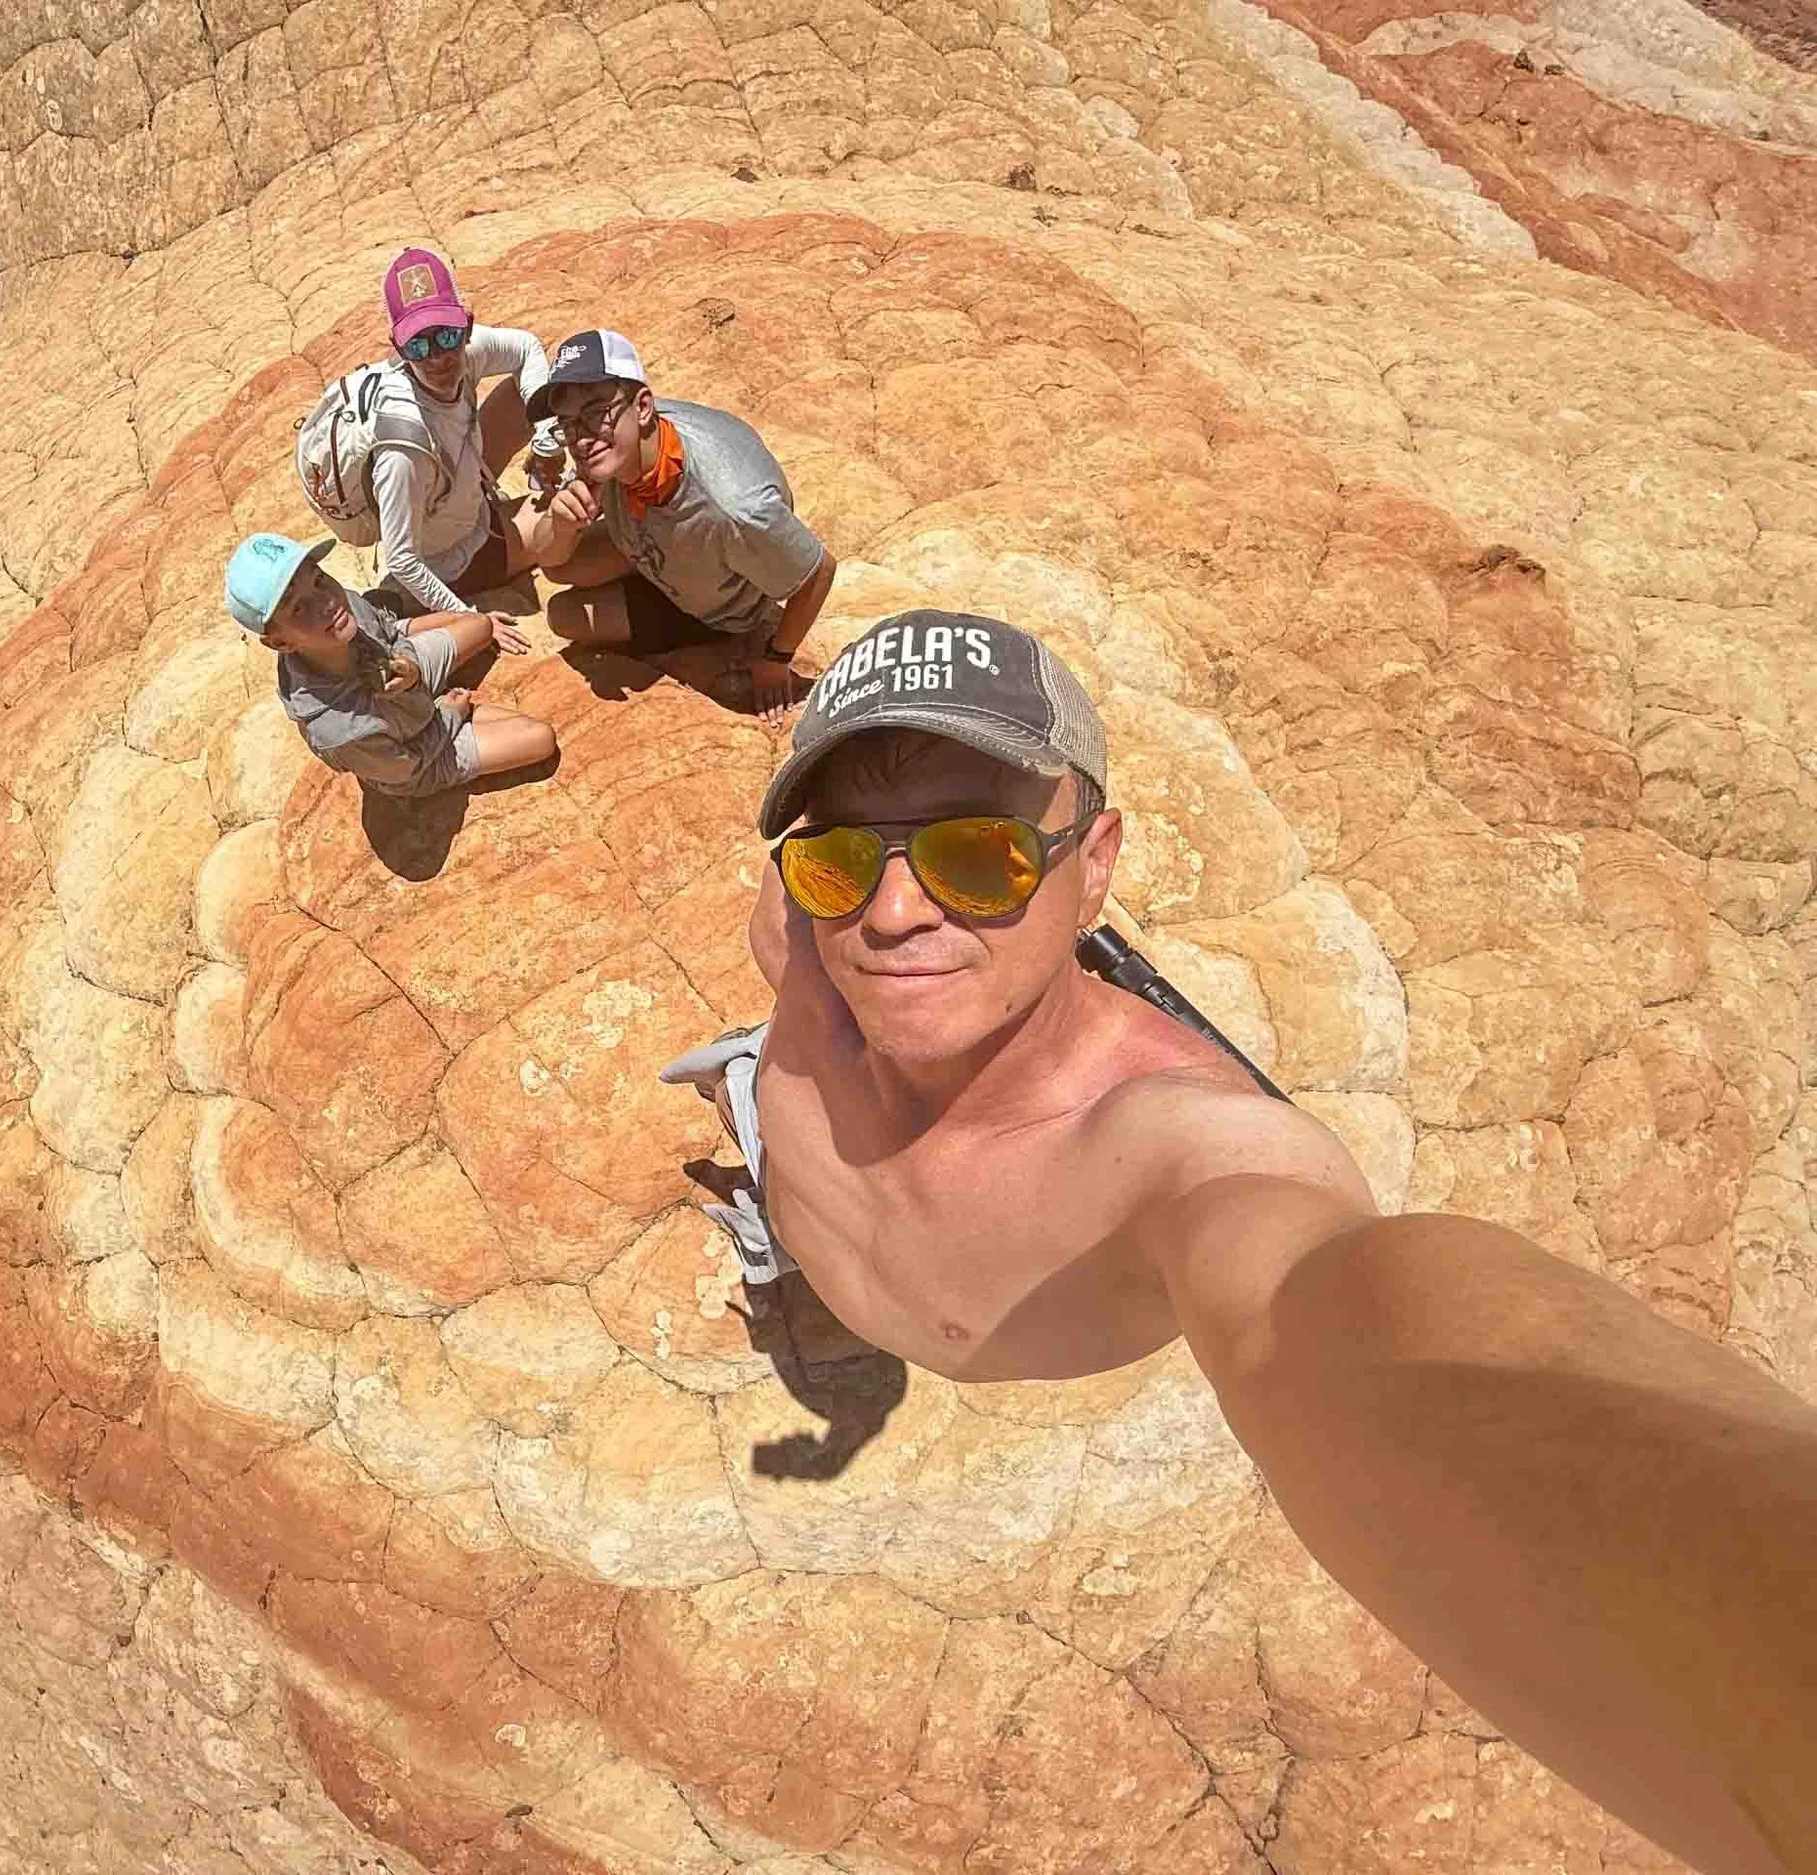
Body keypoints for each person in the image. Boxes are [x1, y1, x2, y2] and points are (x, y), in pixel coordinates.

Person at [665, 610, 1817, 1875]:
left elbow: (1338, 1310)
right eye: (835, 860)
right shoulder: (804, 954)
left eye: (977, 856)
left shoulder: (1169, 1152)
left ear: (1092, 865)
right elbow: (808, 929)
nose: (887, 917)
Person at [530, 329, 838, 717]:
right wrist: (561, 523)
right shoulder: (613, 445)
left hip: (719, 606)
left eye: (594, 414)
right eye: (570, 424)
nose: (582, 440)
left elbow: (819, 570)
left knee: (567, 617)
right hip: (660, 544)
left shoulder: (734, 507)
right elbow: (548, 557)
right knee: (563, 565)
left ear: (643, 407)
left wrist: (776, 659)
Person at [224, 532, 556, 796]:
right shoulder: (340, 729)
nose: (325, 602)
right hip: (419, 757)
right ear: (281, 643)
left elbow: (391, 631)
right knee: (540, 738)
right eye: (298, 608)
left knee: (480, 624)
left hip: (403, 673)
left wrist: (411, 668)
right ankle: (445, 708)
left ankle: (440, 700)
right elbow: (405, 769)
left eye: (319, 580)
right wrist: (450, 715)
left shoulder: (341, 608)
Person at [365, 246, 569, 618]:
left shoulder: (465, 355)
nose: (437, 357)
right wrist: (467, 618)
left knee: (537, 388)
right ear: (399, 349)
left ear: (467, 327)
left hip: (456, 491)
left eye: (446, 336)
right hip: (452, 557)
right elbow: (400, 559)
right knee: (568, 522)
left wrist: (546, 433)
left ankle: (529, 478)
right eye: (418, 345)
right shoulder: (402, 447)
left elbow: (526, 348)